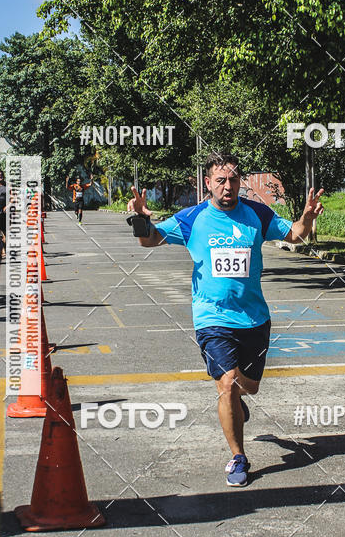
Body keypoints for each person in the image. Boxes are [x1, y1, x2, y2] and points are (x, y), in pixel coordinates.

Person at [127, 151, 324, 487]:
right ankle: (238, 457)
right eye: (220, 180)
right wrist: (140, 219)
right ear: (208, 183)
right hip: (211, 318)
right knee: (227, 382)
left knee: (249, 387)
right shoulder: (192, 218)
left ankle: (236, 404)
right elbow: (149, 239)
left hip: (254, 319)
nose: (227, 185)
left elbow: (296, 235)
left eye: (233, 179)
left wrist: (306, 216)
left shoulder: (257, 215)